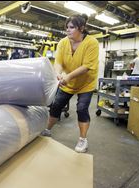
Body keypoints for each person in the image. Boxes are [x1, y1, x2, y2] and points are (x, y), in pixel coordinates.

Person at [41, 14, 99, 153]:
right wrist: (58, 74)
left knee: (81, 108)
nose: (68, 30)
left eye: (71, 27)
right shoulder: (63, 42)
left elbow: (86, 66)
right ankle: (47, 130)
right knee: (56, 106)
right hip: (68, 82)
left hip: (86, 83)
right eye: (66, 27)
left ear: (82, 28)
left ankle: (83, 139)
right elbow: (59, 62)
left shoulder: (92, 43)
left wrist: (67, 77)